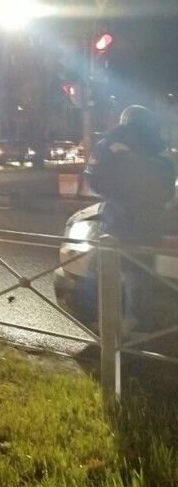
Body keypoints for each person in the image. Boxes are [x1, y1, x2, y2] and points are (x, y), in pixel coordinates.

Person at [84, 105, 176, 328]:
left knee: (106, 268)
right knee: (141, 273)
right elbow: (169, 184)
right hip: (150, 222)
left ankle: (106, 321)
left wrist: (118, 197)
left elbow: (93, 177)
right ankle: (137, 322)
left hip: (118, 220)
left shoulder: (112, 140)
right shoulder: (159, 145)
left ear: (124, 120)